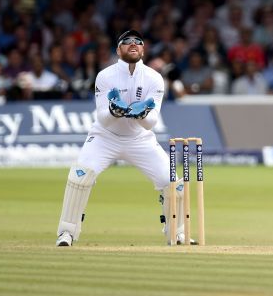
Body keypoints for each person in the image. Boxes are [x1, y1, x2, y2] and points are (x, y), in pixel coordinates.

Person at [55, 30, 186, 247]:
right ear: (118, 49)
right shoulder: (105, 76)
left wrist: (141, 113)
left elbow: (151, 122)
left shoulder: (154, 78)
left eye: (138, 42)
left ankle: (177, 233)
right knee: (80, 176)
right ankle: (67, 233)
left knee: (173, 182)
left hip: (140, 139)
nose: (133, 44)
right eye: (127, 42)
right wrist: (115, 111)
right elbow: (103, 118)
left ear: (143, 49)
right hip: (105, 137)